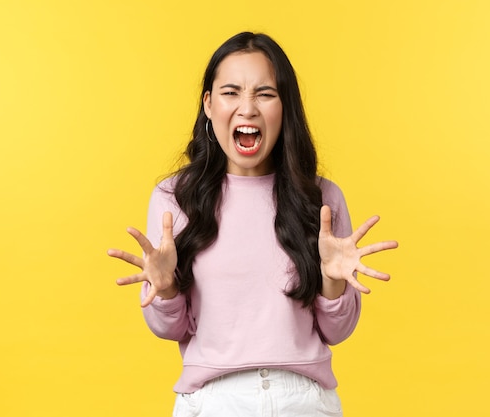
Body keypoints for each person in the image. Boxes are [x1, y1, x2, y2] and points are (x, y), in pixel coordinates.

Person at [108, 32, 398, 417]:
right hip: (211, 401)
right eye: (231, 92)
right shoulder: (175, 197)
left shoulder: (321, 199)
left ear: (285, 106)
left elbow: (337, 332)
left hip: (304, 401)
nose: (248, 108)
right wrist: (164, 289)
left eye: (265, 93)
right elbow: (170, 329)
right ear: (209, 105)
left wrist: (333, 282)